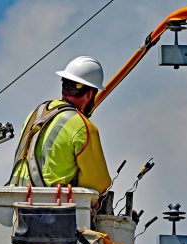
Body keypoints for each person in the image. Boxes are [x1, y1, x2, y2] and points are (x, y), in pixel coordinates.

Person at [7, 56, 111, 194]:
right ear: (90, 93)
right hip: (51, 208)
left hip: (13, 201)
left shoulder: (37, 113)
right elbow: (99, 183)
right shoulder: (82, 125)